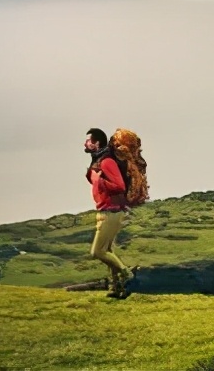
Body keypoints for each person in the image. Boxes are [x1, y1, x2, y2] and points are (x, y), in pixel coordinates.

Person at [84, 127, 132, 299]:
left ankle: (127, 274)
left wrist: (100, 181)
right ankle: (118, 289)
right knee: (108, 250)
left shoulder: (106, 162)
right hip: (105, 210)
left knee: (97, 252)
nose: (85, 143)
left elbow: (120, 186)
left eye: (89, 141)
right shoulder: (97, 161)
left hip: (112, 212)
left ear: (97, 143)